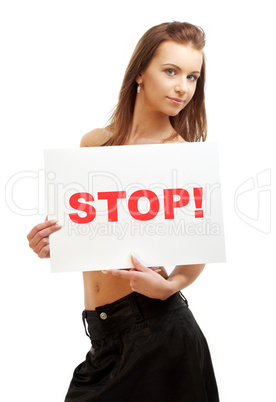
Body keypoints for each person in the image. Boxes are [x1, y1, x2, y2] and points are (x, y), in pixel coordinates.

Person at [27, 21, 220, 402]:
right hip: (103, 340)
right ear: (139, 75)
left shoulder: (182, 155)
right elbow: (85, 232)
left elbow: (199, 249)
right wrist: (53, 243)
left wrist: (171, 285)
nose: (183, 86)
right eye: (171, 71)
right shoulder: (94, 144)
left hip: (160, 335)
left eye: (192, 76)